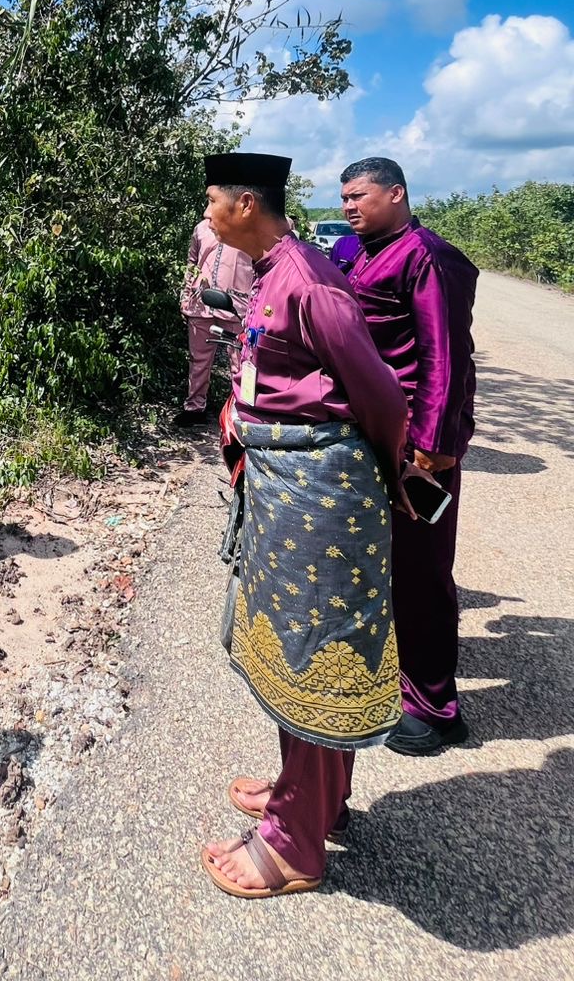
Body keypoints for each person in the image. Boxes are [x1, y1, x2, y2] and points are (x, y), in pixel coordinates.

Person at [198, 152, 410, 899]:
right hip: (285, 486)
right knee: (295, 650)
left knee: (316, 652)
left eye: (211, 200)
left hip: (320, 494)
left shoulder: (310, 281)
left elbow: (381, 396)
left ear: (245, 205)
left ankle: (295, 847)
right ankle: (311, 797)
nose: (206, 214)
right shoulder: (268, 272)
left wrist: (387, 476)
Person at [338, 157, 478, 756]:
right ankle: (396, 673)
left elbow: (444, 356)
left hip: (415, 441)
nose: (349, 207)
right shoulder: (360, 252)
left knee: (422, 570)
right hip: (372, 430)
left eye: (360, 196)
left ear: (396, 193)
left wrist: (433, 446)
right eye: (344, 197)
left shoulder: (427, 257)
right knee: (383, 559)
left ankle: (436, 707)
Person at [176, 214, 253, 427]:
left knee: (241, 363)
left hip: (236, 307)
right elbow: (192, 264)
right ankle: (194, 408)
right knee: (198, 361)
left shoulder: (249, 227)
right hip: (200, 304)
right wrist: (185, 297)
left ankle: (244, 411)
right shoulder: (201, 228)